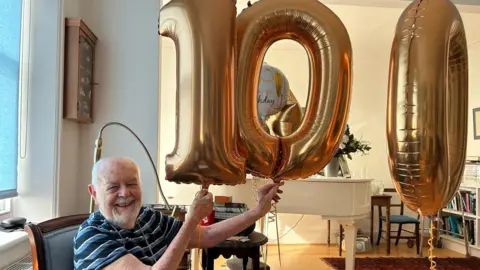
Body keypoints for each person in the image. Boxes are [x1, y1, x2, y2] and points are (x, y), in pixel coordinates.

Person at [73, 157, 283, 270]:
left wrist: (258, 211)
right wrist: (191, 220)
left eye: (131, 184)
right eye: (112, 187)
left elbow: (206, 236)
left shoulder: (146, 217)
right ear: (94, 193)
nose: (125, 193)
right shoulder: (91, 237)